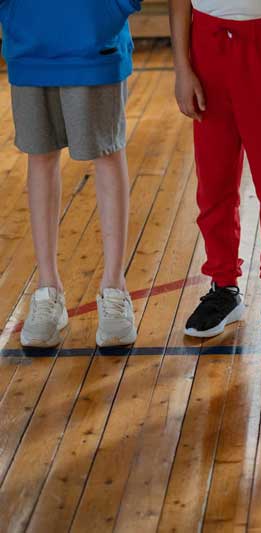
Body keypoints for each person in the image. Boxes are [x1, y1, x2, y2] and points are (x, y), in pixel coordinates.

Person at [169, 0, 261, 340]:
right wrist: (183, 70)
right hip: (208, 48)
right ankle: (223, 287)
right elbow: (179, 4)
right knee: (214, 182)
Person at [0, 0, 142, 348]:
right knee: (40, 157)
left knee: (107, 153)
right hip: (29, 42)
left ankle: (114, 287)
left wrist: (114, 7)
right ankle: (48, 289)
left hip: (95, 37)